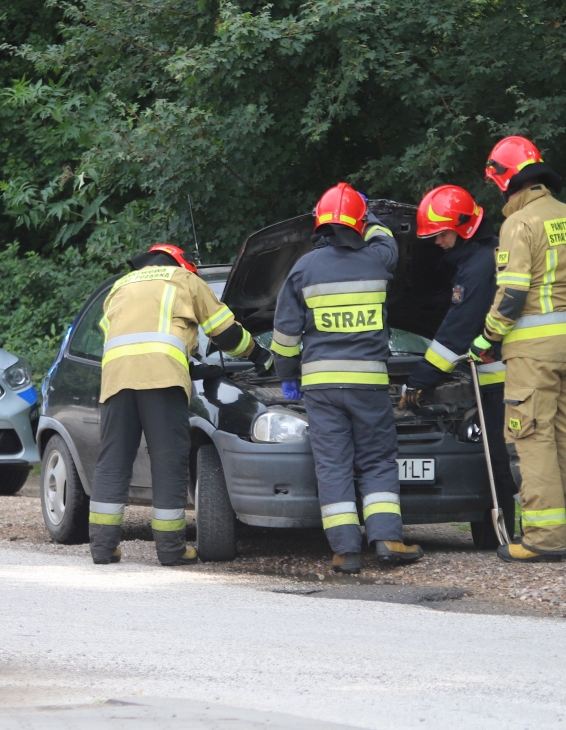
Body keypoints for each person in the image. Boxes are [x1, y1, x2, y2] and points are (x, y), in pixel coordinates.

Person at [271, 183, 424, 575]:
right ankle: (387, 539)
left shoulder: (304, 268)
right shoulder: (379, 260)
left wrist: (288, 376)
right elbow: (386, 236)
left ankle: (345, 551)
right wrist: (368, 214)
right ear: (358, 223)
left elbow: (286, 335)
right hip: (369, 385)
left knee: (333, 464)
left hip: (321, 387)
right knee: (376, 460)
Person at [90, 243, 270, 565]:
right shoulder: (185, 281)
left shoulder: (121, 286)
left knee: (113, 461)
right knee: (168, 460)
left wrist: (189, 363)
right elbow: (226, 334)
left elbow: (120, 334)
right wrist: (259, 355)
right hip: (162, 380)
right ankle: (172, 551)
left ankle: (103, 548)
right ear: (183, 263)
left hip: (116, 378)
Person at [470, 136, 566, 563]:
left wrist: (486, 339)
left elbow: (511, 294)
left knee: (532, 437)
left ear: (507, 180)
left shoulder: (519, 224)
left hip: (534, 350)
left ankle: (544, 537)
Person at [399, 184, 519, 529]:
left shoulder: (480, 265)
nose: (437, 242)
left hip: (502, 379)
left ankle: (518, 532)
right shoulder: (480, 257)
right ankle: (519, 531)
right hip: (500, 376)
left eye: (441, 234)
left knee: (504, 458)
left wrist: (419, 381)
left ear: (463, 227)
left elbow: (458, 331)